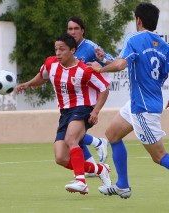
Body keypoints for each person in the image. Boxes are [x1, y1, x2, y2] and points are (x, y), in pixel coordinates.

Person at [87, 2, 169, 208]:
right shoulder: (165, 46)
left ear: (138, 20)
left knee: (160, 157)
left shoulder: (134, 38)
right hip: (140, 104)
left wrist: (100, 69)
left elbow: (122, 64)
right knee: (112, 133)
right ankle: (122, 184)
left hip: (143, 110)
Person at [15, 34, 111, 194]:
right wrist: (28, 84)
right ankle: (99, 169)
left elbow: (104, 89)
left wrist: (95, 111)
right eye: (56, 49)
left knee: (71, 139)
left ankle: (81, 181)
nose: (58, 53)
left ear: (73, 50)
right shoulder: (51, 63)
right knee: (60, 157)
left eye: (62, 49)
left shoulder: (84, 70)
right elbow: (42, 76)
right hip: (65, 113)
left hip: (83, 108)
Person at [66, 16, 114, 170]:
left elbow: (116, 63)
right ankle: (93, 163)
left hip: (90, 97)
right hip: (76, 97)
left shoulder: (91, 47)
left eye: (76, 29)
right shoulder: (67, 47)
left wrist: (102, 60)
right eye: (70, 29)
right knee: (73, 135)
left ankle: (98, 143)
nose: (72, 32)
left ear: (82, 31)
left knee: (72, 134)